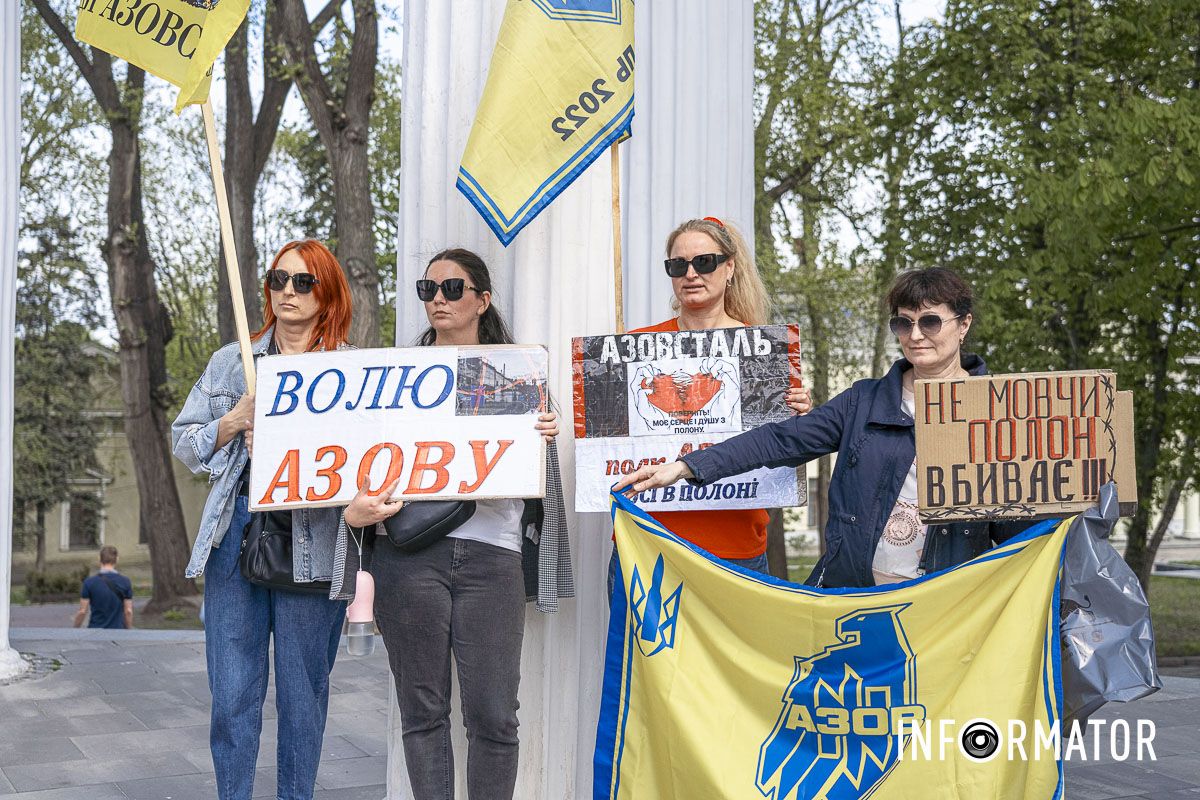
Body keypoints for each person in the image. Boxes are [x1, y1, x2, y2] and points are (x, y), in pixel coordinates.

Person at [333, 247, 573, 800]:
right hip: (408, 556)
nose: (438, 299)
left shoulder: (518, 374)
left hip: (493, 556)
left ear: (481, 300)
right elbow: (359, 456)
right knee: (423, 712)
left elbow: (535, 481)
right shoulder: (393, 379)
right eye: (428, 289)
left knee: (494, 715)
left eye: (452, 289)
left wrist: (542, 439)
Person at [617, 267, 1028, 589]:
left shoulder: (1002, 413)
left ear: (964, 324)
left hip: (948, 606)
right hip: (856, 602)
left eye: (930, 322)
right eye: (903, 324)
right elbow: (778, 440)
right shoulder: (862, 402)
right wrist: (686, 467)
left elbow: (1022, 524)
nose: (916, 336)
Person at [171, 239, 367, 800]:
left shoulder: (351, 372)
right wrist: (233, 422)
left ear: (325, 292)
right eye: (279, 280)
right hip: (237, 534)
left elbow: (374, 459)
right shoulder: (233, 362)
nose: (287, 291)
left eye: (303, 282)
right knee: (232, 693)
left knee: (304, 695)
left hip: (317, 536)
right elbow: (185, 442)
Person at [610, 216, 810, 592]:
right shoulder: (633, 348)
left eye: (704, 262)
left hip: (735, 547)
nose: (691, 274)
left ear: (729, 267)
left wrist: (800, 419)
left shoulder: (765, 352)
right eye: (678, 265)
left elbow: (784, 452)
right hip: (650, 544)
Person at [73, 545, 133, 629]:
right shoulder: (125, 582)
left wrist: (74, 629)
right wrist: (129, 630)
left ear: (99, 559)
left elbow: (82, 611)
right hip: (118, 632)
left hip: (95, 632)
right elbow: (128, 611)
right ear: (117, 559)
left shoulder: (89, 582)